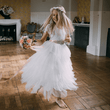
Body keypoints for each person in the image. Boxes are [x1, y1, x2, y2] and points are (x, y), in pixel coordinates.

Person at [1, 6, 78, 108]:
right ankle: (40, 84)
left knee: (59, 73)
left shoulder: (65, 26)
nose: (54, 17)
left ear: (62, 16)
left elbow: (68, 38)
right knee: (45, 70)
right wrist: (31, 42)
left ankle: (59, 98)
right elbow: (42, 40)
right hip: (50, 49)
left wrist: (67, 40)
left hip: (61, 51)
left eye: (56, 15)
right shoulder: (49, 27)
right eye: (53, 15)